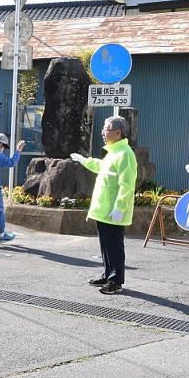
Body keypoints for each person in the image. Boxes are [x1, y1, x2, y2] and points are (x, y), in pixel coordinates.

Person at [71, 116, 137, 295]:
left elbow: (127, 185)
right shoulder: (113, 152)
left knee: (114, 246)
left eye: (106, 129)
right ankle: (108, 274)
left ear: (118, 132)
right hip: (104, 210)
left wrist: (120, 207)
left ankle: (115, 281)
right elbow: (101, 167)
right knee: (106, 245)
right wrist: (84, 161)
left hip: (113, 210)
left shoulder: (125, 154)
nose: (103, 133)